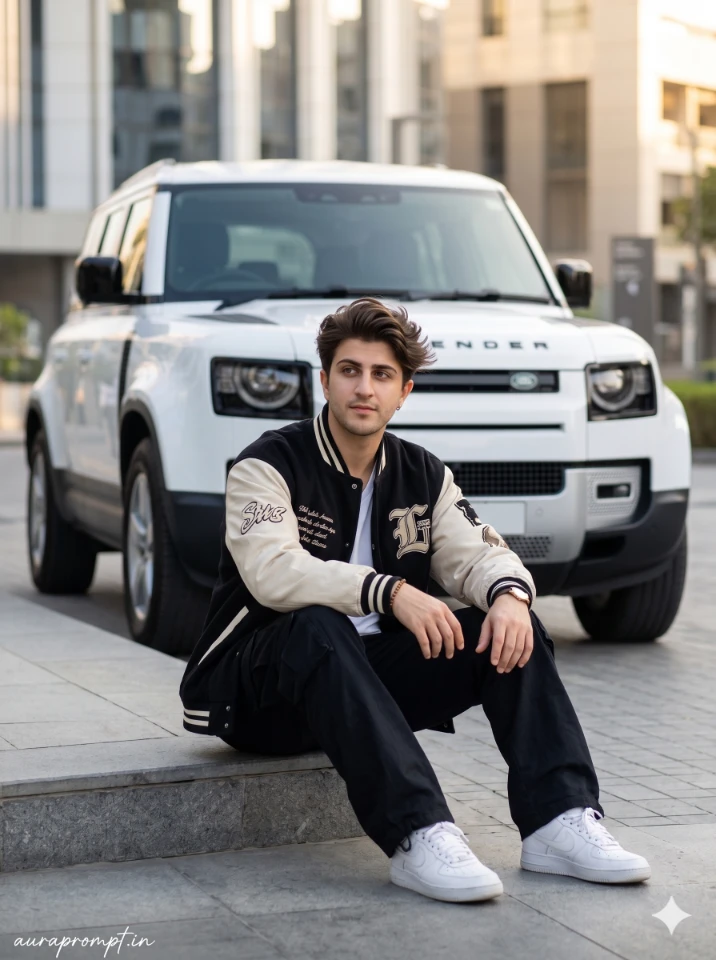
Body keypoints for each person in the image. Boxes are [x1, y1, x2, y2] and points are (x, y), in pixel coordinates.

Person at [180, 297, 651, 903]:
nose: (363, 388)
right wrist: (389, 590)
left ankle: (559, 822)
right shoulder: (266, 465)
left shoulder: (422, 474)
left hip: (363, 683)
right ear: (324, 381)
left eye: (381, 375)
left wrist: (508, 596)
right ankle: (420, 831)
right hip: (260, 690)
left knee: (511, 624)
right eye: (349, 371)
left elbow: (478, 553)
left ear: (404, 392)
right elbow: (275, 572)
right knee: (318, 625)